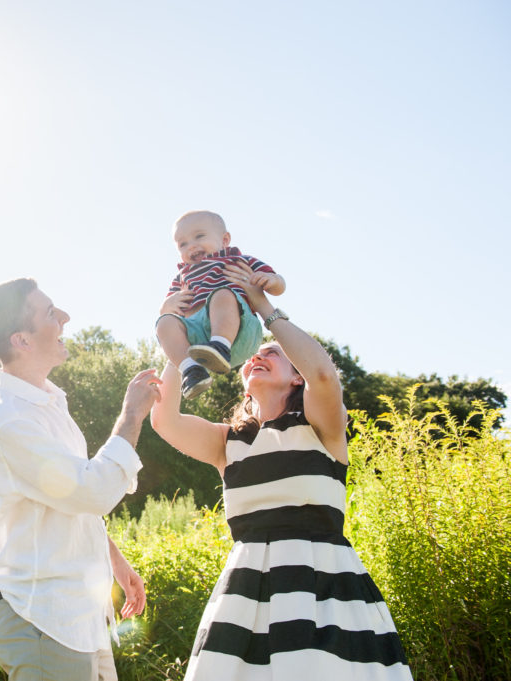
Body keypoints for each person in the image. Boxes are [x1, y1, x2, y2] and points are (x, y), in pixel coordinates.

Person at [149, 259, 413, 680]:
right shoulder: (229, 441)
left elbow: (323, 374)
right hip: (246, 596)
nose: (257, 356)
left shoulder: (320, 428)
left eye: (271, 353)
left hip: (325, 592)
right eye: (253, 355)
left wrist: (264, 310)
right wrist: (180, 331)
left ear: (295, 378)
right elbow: (164, 420)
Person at [0, 277, 161, 681]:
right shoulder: (8, 419)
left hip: (81, 618)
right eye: (50, 313)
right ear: (21, 339)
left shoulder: (50, 403)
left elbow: (69, 498)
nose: (65, 318)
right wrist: (131, 417)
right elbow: (92, 490)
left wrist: (113, 560)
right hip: (43, 621)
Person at [156, 210, 285, 400]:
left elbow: (279, 285)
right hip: (197, 341)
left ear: (224, 240)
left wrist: (269, 280)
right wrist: (167, 306)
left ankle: (220, 346)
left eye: (199, 236)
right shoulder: (183, 275)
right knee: (164, 322)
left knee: (222, 293)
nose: (191, 246)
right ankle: (192, 371)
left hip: (238, 331)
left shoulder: (236, 260)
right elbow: (169, 310)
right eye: (183, 244)